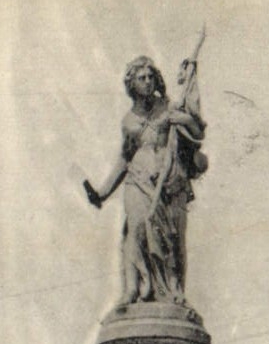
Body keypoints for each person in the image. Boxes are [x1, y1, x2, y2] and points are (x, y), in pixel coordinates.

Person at [84, 54, 206, 306]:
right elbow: (124, 158)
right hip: (137, 181)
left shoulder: (169, 108)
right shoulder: (128, 121)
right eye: (142, 78)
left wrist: (185, 120)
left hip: (168, 183)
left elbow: (197, 134)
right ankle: (133, 289)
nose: (148, 81)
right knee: (136, 230)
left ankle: (173, 288)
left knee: (170, 236)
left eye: (151, 77)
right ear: (132, 84)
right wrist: (104, 192)